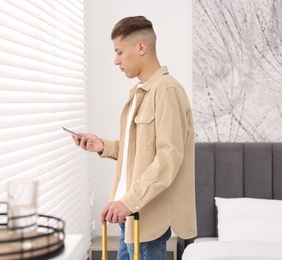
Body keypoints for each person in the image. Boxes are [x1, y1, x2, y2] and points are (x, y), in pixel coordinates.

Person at [72, 16, 197, 260]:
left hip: (145, 216)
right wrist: (103, 146)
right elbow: (141, 152)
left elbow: (167, 159)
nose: (116, 61)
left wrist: (129, 202)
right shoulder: (140, 93)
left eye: (119, 52)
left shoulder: (167, 91)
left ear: (141, 47)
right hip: (129, 214)